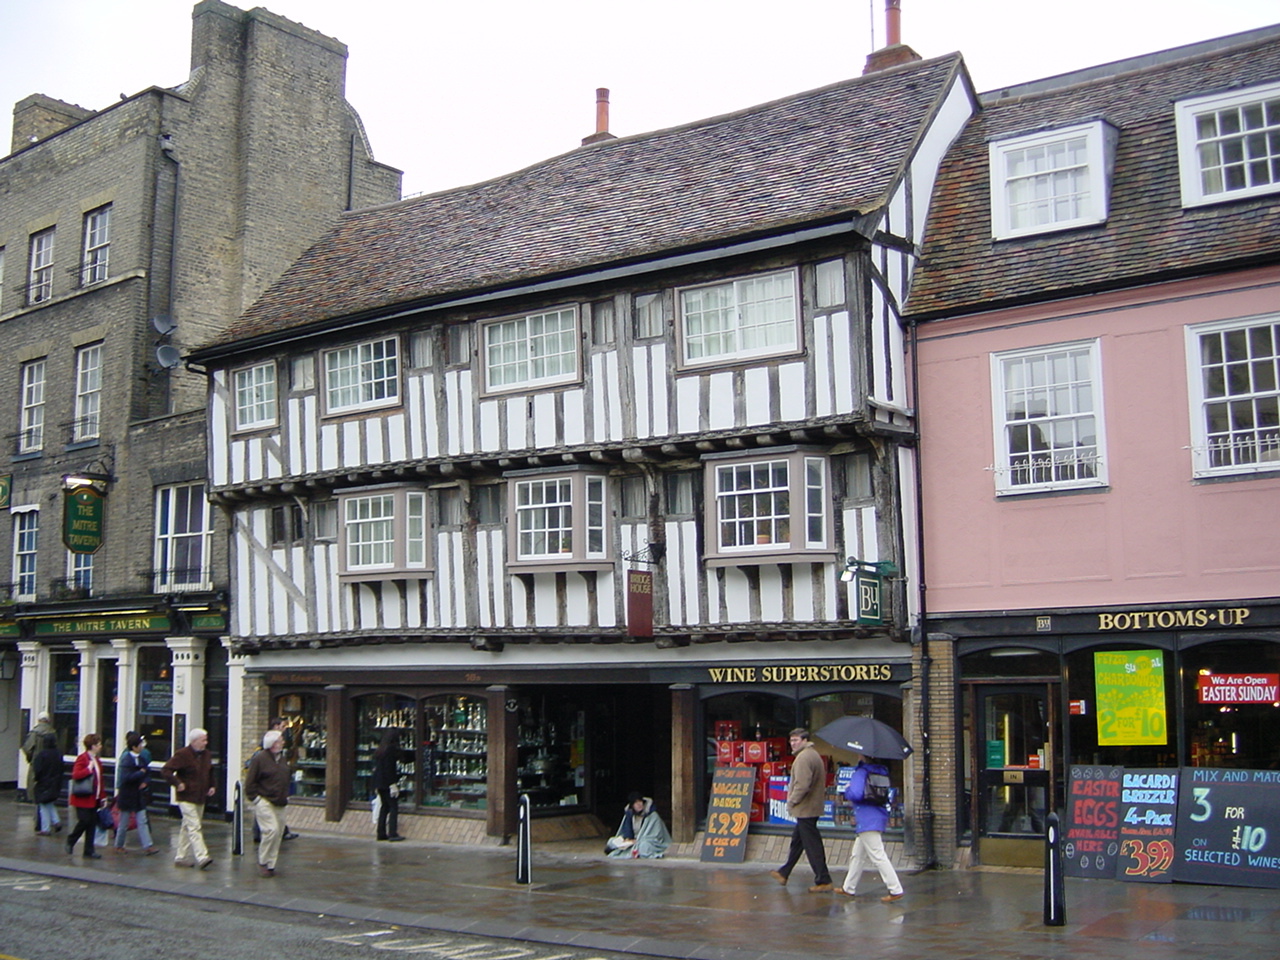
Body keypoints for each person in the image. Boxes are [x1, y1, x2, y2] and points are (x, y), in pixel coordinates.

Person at [768, 728, 833, 892]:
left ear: (805, 740)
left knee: (812, 845)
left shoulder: (804, 758)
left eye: (796, 740)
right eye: (791, 740)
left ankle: (823, 880)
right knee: (798, 842)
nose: (792, 743)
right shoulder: (812, 754)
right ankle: (784, 872)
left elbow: (802, 785)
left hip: (806, 808)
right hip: (809, 807)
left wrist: (791, 802)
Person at [836, 754, 904, 902]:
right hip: (877, 815)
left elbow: (856, 794)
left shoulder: (861, 772)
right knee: (857, 855)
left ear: (863, 756)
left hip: (866, 818)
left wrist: (847, 789)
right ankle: (849, 887)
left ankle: (895, 889)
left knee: (878, 855)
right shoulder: (882, 771)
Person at [162, 727, 216, 869]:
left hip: (200, 796)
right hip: (186, 797)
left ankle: (181, 857)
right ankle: (202, 856)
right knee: (194, 827)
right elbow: (166, 770)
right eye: (203, 740)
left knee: (187, 827)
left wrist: (212, 785)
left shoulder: (207, 755)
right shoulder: (182, 755)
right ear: (194, 741)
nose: (206, 743)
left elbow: (210, 771)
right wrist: (177, 783)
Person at [245, 729, 291, 877]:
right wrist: (256, 799)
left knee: (278, 833)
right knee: (271, 830)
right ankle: (263, 861)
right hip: (264, 800)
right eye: (280, 740)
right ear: (272, 743)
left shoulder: (282, 758)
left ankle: (271, 864)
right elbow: (250, 782)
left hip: (280, 801)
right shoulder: (260, 759)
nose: (283, 742)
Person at [251, 718, 299, 843]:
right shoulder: (263, 754)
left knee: (273, 823)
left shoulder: (281, 756)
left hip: (278, 795)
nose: (285, 729)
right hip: (265, 792)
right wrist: (256, 798)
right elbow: (252, 780)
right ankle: (263, 854)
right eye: (283, 726)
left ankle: (278, 834)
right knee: (268, 822)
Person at [114, 732, 160, 855]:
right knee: (123, 822)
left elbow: (147, 773)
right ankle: (119, 845)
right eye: (140, 745)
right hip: (127, 795)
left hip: (138, 795)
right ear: (134, 747)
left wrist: (145, 781)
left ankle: (148, 846)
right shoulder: (126, 759)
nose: (142, 747)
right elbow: (125, 777)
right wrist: (140, 773)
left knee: (142, 820)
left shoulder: (141, 758)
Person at [65, 733, 107, 859]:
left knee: (92, 824)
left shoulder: (97, 761)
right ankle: (71, 840)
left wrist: (103, 796)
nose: (100, 746)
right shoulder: (82, 758)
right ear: (92, 746)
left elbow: (100, 780)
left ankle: (89, 850)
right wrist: (88, 769)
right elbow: (76, 775)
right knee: (84, 821)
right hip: (82, 798)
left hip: (94, 798)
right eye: (98, 744)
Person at [606, 793, 671, 859]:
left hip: (647, 841)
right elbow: (626, 831)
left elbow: (655, 835)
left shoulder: (653, 816)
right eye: (636, 802)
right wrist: (627, 840)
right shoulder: (630, 815)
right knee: (612, 841)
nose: (639, 804)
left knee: (644, 846)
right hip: (633, 841)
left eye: (640, 801)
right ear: (632, 806)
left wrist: (638, 840)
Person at [21, 711, 56, 831]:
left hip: (37, 766)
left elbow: (27, 748)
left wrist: (31, 759)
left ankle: (40, 823)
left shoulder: (34, 733)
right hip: (51, 767)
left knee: (36, 793)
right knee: (48, 794)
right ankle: (52, 821)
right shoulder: (53, 732)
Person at [372, 727, 405, 842]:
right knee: (393, 807)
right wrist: (393, 784)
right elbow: (389, 768)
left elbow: (379, 768)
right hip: (387, 783)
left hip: (379, 782)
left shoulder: (381, 749)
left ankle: (380, 832)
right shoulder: (391, 750)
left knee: (384, 807)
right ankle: (392, 833)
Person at [31, 733, 64, 836]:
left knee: (43, 804)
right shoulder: (58, 754)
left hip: (44, 783)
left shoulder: (42, 755)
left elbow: (38, 770)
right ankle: (56, 821)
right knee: (49, 802)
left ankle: (46, 828)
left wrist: (36, 779)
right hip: (56, 782)